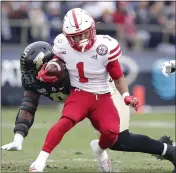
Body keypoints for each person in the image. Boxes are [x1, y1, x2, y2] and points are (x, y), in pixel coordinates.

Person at [28, 8, 175, 172]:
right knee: (70, 122)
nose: (82, 39)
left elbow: (118, 76)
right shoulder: (62, 44)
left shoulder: (105, 45)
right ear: (68, 37)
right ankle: (169, 150)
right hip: (82, 92)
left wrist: (126, 95)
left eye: (85, 33)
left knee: (119, 139)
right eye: (77, 36)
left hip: (108, 90)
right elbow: (59, 62)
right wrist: (52, 67)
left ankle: (168, 150)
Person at [1, 40, 175, 172]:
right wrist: (19, 135)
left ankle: (168, 150)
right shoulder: (35, 80)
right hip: (81, 100)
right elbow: (28, 105)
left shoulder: (69, 67)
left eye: (34, 71)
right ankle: (163, 148)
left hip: (104, 92)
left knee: (119, 139)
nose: (31, 77)